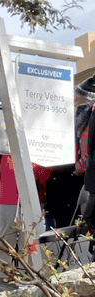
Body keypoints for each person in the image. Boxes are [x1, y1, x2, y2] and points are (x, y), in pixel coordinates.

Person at [0, 149, 52, 264]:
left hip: (31, 201)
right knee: (6, 240)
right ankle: (3, 275)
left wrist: (41, 170)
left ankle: (29, 275)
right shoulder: (5, 147)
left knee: (30, 240)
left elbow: (44, 176)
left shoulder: (36, 148)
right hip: (6, 199)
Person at [75, 77, 95, 231]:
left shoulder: (88, 119)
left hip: (90, 178)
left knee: (88, 220)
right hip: (89, 179)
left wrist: (78, 168)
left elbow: (88, 154)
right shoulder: (87, 117)